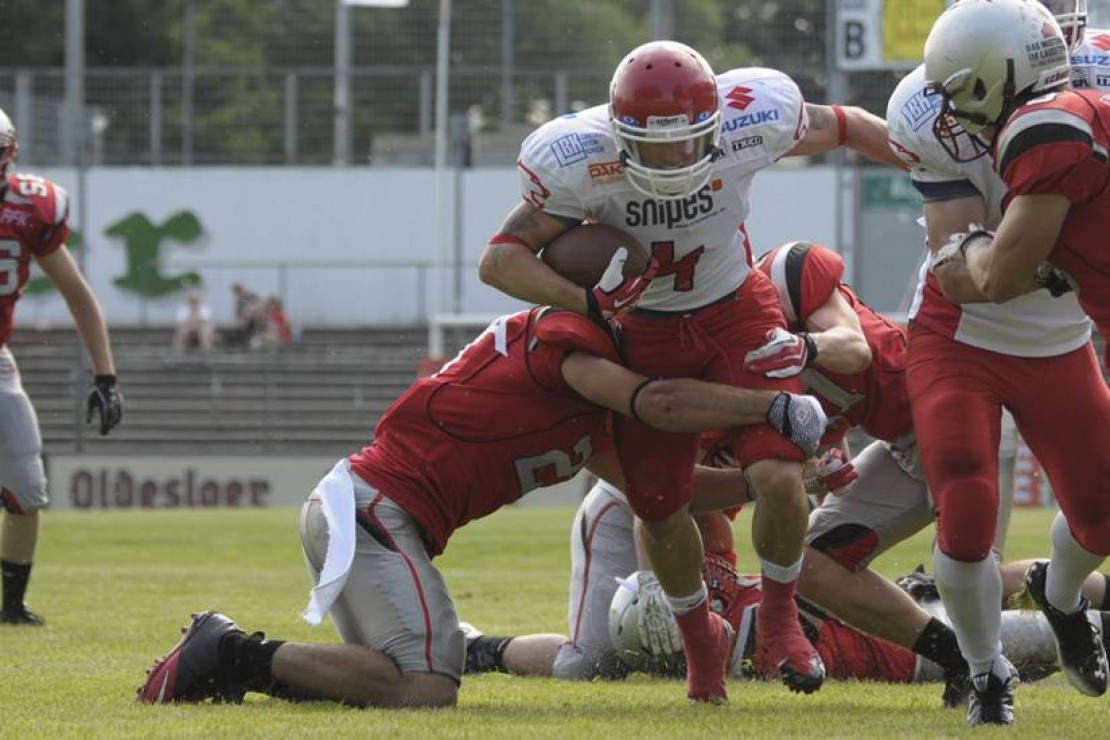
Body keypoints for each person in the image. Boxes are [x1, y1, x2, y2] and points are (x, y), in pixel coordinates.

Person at [477, 39, 905, 702]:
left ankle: (783, 619)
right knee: (660, 508)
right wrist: (588, 300)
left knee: (780, 472)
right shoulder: (578, 158)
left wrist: (936, 172)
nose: (675, 159)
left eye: (688, 142)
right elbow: (501, 259)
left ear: (716, 126)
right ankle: (701, 647)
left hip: (737, 308)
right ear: (619, 135)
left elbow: (843, 123)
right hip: (642, 331)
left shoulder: (750, 118)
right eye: (654, 147)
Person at [138, 305, 826, 708]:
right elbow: (661, 401)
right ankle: (228, 652)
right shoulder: (571, 350)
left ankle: (241, 656)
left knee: (421, 669)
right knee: (427, 685)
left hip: (372, 513)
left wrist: (774, 482)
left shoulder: (586, 407)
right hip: (372, 508)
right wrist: (772, 407)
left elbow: (667, 495)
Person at [895, 0, 1110, 725]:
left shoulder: (1084, 96)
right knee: (966, 498)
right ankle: (987, 671)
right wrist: (1014, 265)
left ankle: (1061, 595)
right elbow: (966, 265)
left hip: (1061, 336)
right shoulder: (934, 109)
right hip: (964, 334)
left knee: (1102, 515)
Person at [461, 555, 1110, 689]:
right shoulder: (735, 613)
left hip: (903, 620)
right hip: (917, 639)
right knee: (1050, 617)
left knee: (1018, 591)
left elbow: (572, 658)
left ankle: (479, 650)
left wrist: (489, 650)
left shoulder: (701, 654)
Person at [0, 108, 123, 625]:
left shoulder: (31, 207)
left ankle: (11, 606)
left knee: (27, 486)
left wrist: (106, 377)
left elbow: (76, 293)